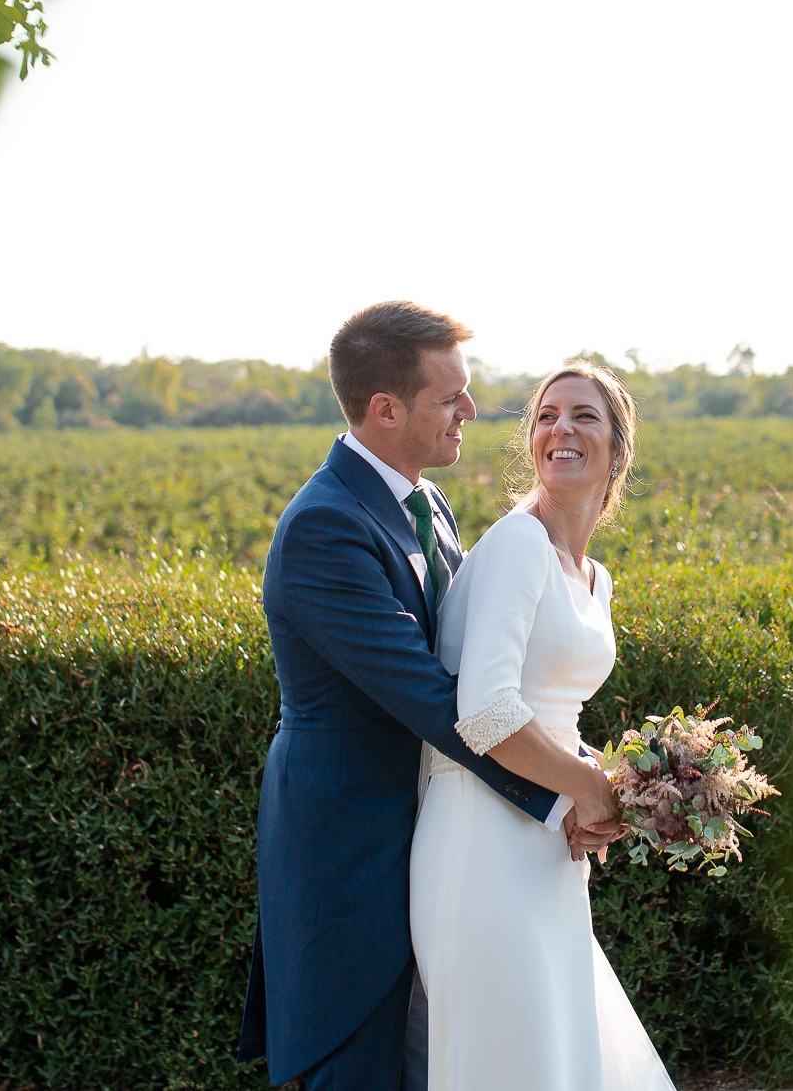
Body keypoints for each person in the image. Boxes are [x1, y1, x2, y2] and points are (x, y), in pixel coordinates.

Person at [236, 302, 620, 1091]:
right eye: (451, 398)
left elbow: (487, 671)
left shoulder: (427, 507)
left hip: (440, 834)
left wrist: (595, 773)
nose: (472, 414)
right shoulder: (324, 526)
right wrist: (576, 790)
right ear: (385, 409)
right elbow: (438, 700)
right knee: (359, 1072)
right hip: (352, 850)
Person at [410, 362, 677, 1091]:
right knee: (510, 1058)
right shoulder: (518, 543)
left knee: (558, 1054)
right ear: (532, 440)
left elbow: (554, 711)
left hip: (548, 839)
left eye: (585, 416)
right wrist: (587, 786)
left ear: (618, 451)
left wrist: (614, 788)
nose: (562, 428)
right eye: (548, 415)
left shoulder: (596, 577)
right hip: (481, 835)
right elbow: (487, 713)